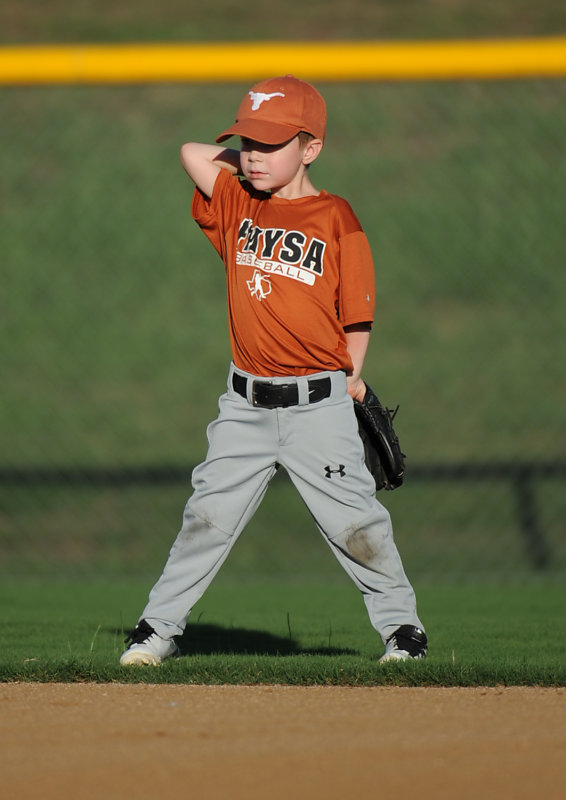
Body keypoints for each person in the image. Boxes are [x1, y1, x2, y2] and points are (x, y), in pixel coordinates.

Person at [120, 75, 427, 666]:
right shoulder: (238, 203)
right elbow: (191, 153)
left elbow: (357, 315)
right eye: (248, 142)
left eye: (271, 144)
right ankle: (156, 630)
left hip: (319, 405)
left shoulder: (336, 216)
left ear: (312, 148)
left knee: (357, 524)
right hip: (245, 407)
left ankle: (403, 632)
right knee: (206, 519)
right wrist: (253, 159)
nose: (254, 155)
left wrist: (352, 380)